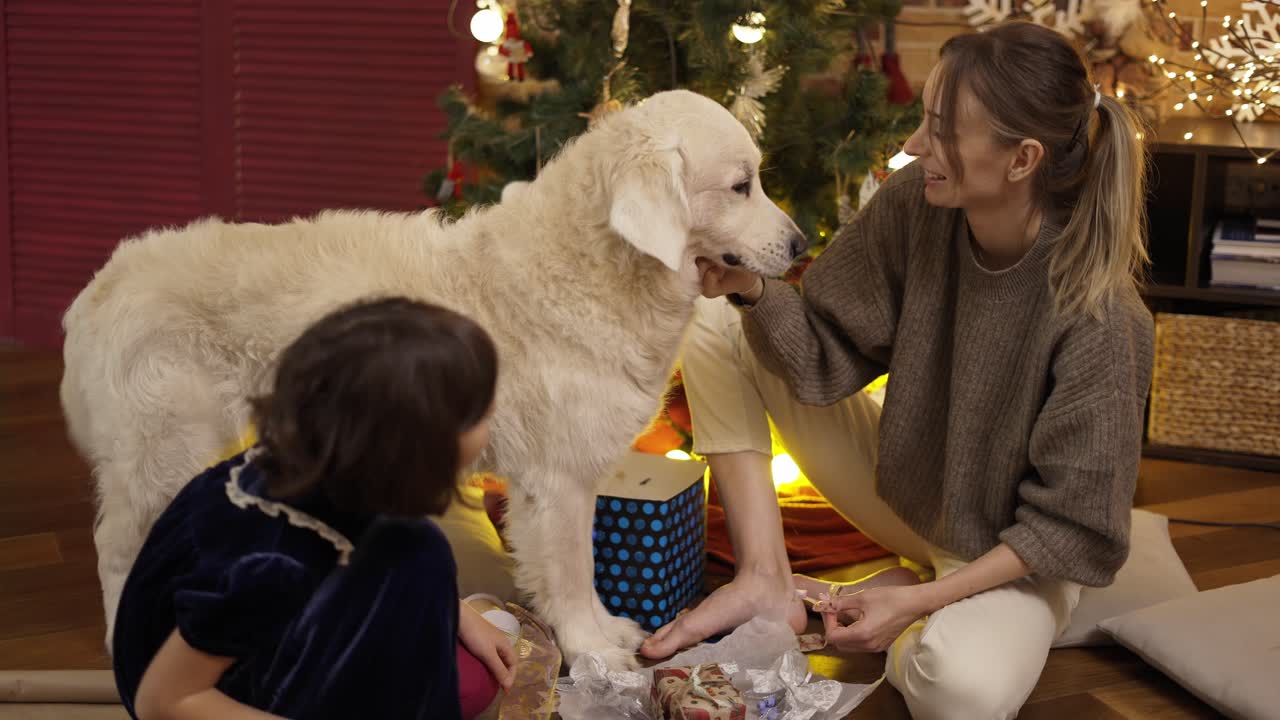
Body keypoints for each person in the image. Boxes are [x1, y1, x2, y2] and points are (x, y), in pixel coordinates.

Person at [641, 20, 1155, 719]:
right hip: (911, 494)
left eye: (941, 132)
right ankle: (764, 578)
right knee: (719, 320)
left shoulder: (1103, 316)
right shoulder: (918, 204)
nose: (914, 145)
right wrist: (752, 289)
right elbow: (824, 348)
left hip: (1013, 555)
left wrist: (919, 602)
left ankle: (912, 604)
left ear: (1022, 159)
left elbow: (1070, 529)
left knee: (960, 694)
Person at [112, 297, 514, 720]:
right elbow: (162, 701)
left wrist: (458, 613)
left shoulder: (324, 459)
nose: (490, 421)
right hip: (218, 688)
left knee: (471, 651)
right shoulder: (271, 561)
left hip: (267, 635)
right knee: (469, 683)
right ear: (418, 444)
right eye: (479, 416)